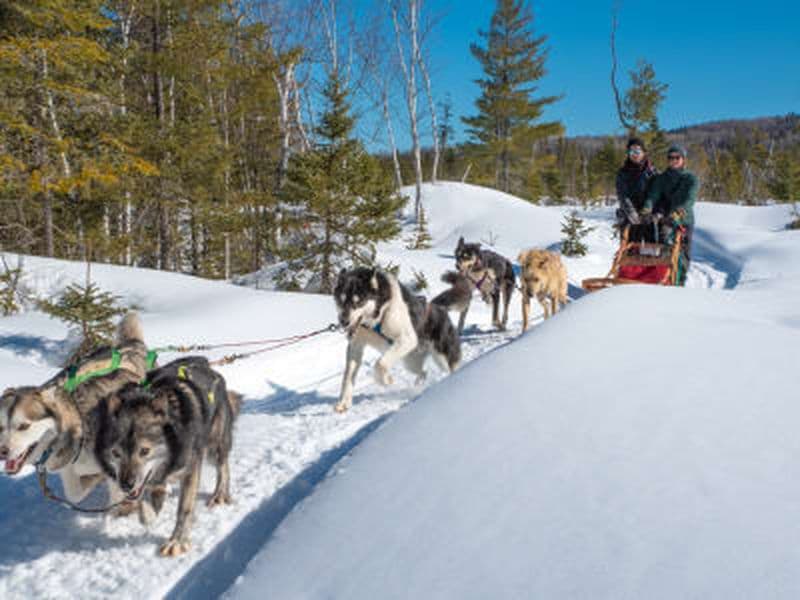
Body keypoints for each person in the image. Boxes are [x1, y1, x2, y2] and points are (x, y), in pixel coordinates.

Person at [641, 144, 699, 286]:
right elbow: (653, 196)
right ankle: (665, 281)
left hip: (684, 221)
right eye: (670, 158)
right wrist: (647, 209)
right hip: (666, 221)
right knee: (664, 252)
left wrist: (679, 212)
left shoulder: (691, 179)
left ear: (683, 159)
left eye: (677, 157)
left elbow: (689, 199)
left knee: (683, 255)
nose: (673, 160)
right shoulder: (662, 178)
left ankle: (679, 283)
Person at [615, 137, 657, 229]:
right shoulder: (622, 173)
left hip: (649, 212)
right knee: (630, 237)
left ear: (644, 152)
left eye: (637, 151)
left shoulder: (653, 172)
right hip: (629, 213)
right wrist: (631, 212)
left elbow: (656, 194)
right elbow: (622, 195)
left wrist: (648, 210)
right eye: (631, 152)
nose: (634, 155)